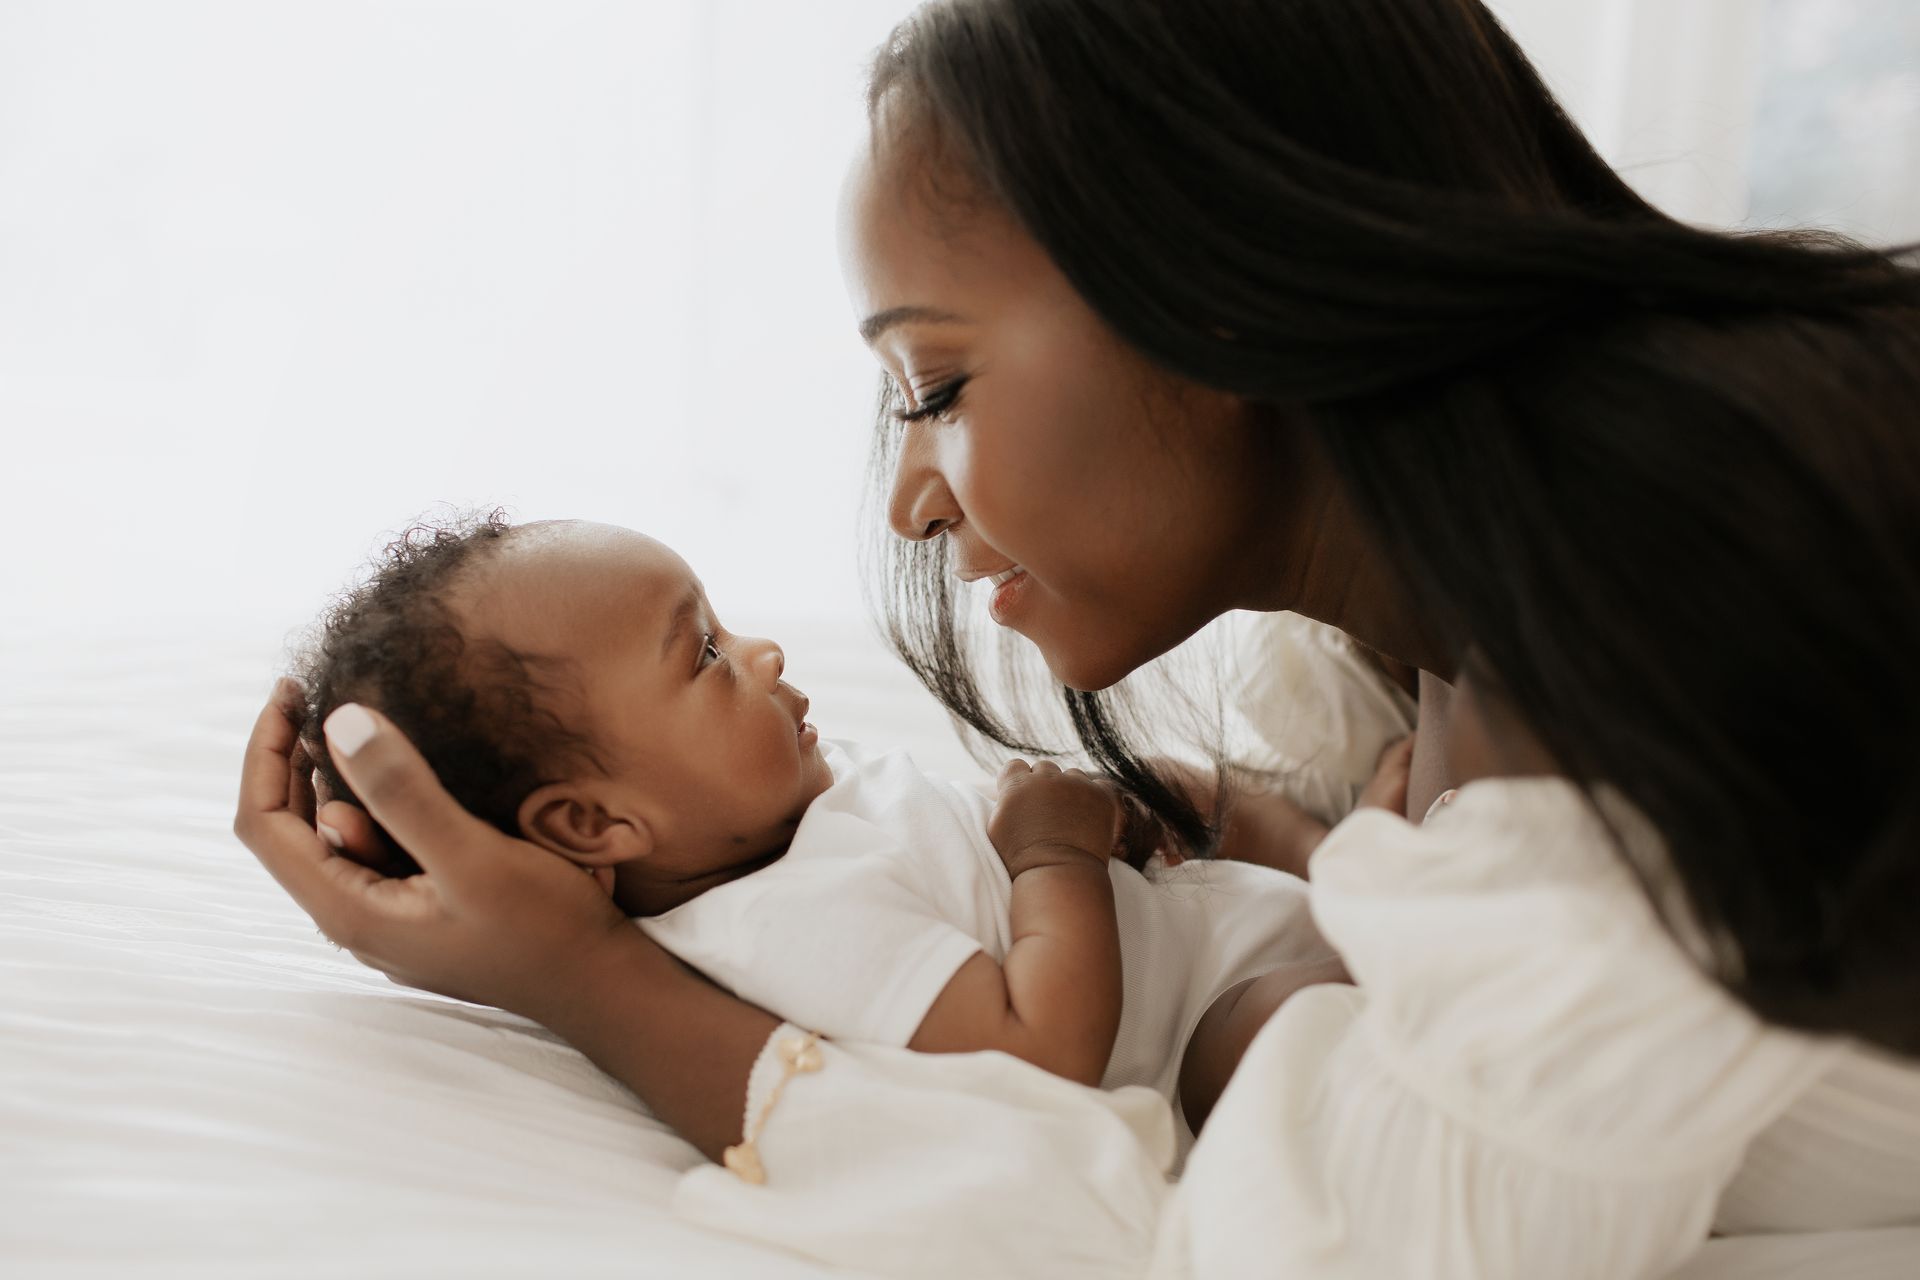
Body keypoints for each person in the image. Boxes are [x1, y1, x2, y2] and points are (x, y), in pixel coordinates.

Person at [237, 0, 1920, 1274]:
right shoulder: (1478, 619)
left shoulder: (1624, 686)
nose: (912, 501)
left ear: (1218, 290)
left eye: (938, 385)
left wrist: (583, 978)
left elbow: (1289, 1242)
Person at [290, 512, 1356, 1136]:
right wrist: (1053, 851)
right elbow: (1041, 1053)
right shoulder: (778, 926)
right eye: (704, 655)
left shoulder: (774, 816)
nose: (762, 653)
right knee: (1289, 1023)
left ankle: (1355, 859)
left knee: (1203, 793)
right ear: (594, 821)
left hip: (1220, 923)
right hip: (1203, 1029)